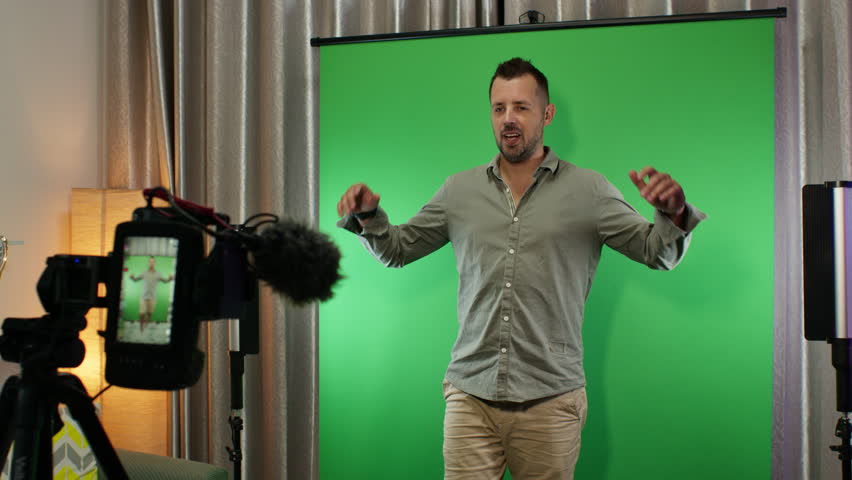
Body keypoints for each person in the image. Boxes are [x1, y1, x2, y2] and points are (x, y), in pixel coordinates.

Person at [336, 57, 705, 480]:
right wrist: (368, 216)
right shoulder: (459, 190)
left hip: (550, 401)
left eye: (521, 107)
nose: (509, 119)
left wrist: (674, 212)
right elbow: (397, 250)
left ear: (546, 113)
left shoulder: (590, 190)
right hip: (469, 396)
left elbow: (656, 252)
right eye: (499, 108)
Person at [128, 256, 174, 332]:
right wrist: (132, 277)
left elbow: (165, 281)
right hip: (143, 297)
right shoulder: (144, 273)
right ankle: (141, 327)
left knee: (149, 313)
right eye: (150, 262)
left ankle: (146, 323)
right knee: (142, 313)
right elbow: (135, 280)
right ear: (148, 263)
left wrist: (170, 279)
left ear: (155, 263)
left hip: (153, 297)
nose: (151, 263)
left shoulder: (158, 274)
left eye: (153, 262)